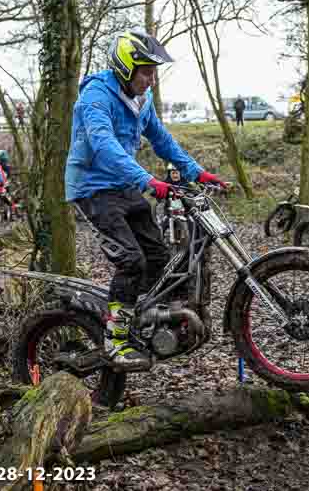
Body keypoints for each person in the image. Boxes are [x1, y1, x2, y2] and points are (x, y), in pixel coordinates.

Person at [65, 29, 226, 371]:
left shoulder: (142, 100)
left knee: (158, 256)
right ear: (125, 68)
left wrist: (196, 172)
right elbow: (103, 145)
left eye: (154, 72)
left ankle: (146, 319)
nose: (152, 79)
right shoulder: (95, 97)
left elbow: (161, 139)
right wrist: (148, 181)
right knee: (131, 260)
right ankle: (115, 339)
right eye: (146, 71)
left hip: (123, 183)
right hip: (93, 187)